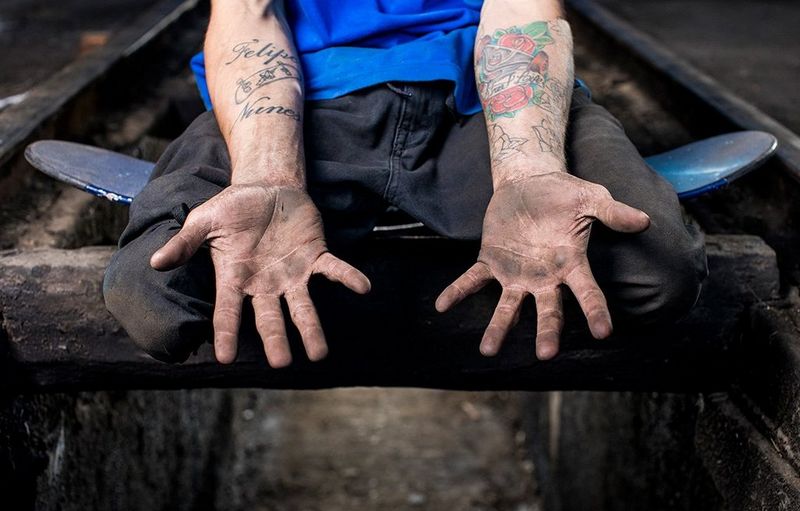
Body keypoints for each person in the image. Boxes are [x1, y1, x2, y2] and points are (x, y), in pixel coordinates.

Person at [103, 0, 707, 367]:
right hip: (304, 103)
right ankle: (323, 268)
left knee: (658, 272)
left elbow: (523, 13)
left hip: (482, 100)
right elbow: (247, 18)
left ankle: (349, 268)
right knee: (152, 295)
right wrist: (267, 180)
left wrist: (532, 173)